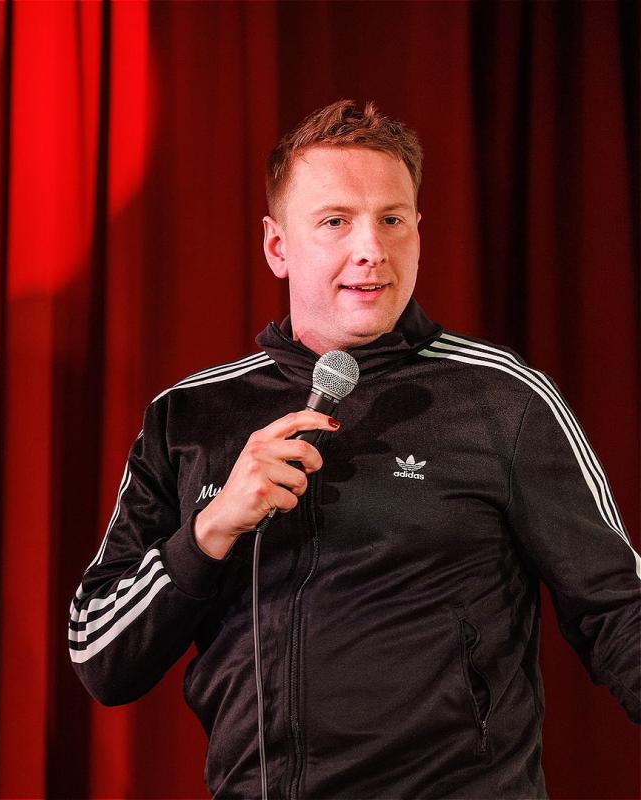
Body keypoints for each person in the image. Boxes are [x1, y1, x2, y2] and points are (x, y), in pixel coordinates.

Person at [69, 99, 640, 798]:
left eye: (392, 220)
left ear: (419, 234)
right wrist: (211, 531)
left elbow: (617, 608)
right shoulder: (189, 416)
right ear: (278, 246)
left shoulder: (503, 400)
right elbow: (100, 655)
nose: (371, 248)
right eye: (336, 221)